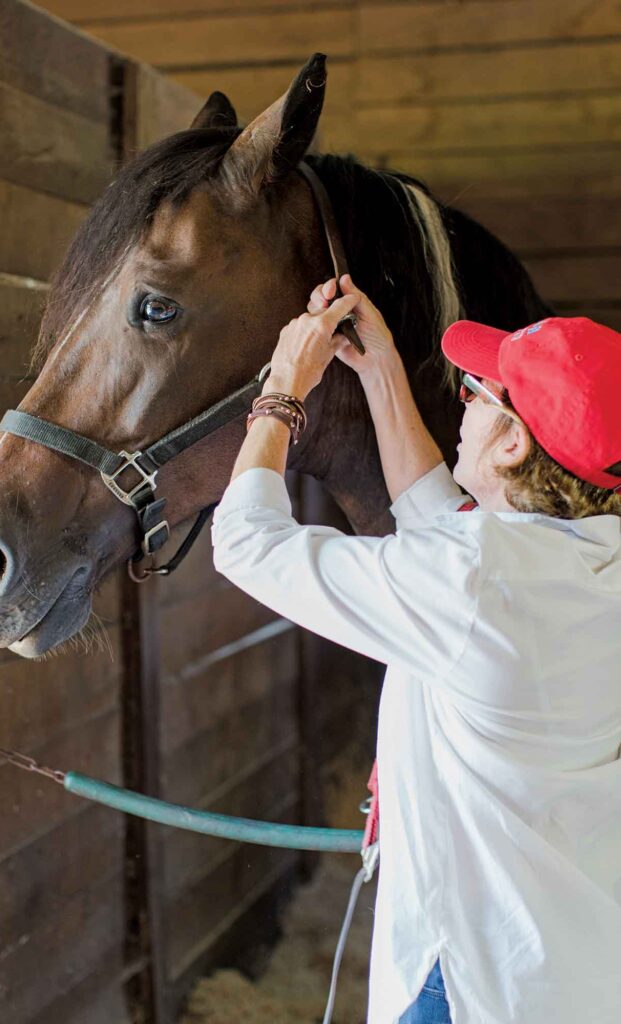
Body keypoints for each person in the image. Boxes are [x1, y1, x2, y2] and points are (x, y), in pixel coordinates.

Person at [210, 274, 621, 1024]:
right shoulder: (589, 561)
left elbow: (244, 543)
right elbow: (446, 530)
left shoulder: (473, 583)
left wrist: (281, 391)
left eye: (475, 397)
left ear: (512, 442)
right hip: (579, 969)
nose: (459, 409)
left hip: (468, 982)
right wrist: (379, 370)